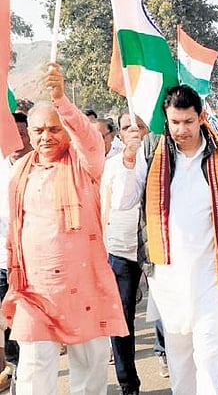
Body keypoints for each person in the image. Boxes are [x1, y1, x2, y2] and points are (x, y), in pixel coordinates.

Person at [2, 63, 128, 394]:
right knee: (33, 371)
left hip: (83, 284)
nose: (46, 137)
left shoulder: (85, 164)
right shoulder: (20, 172)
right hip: (35, 290)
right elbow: (15, 229)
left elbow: (90, 139)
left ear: (67, 131)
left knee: (89, 371)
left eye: (54, 129)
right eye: (38, 131)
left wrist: (61, 100)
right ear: (29, 134)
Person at [112, 84, 218, 394]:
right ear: (166, 120)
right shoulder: (151, 150)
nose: (182, 130)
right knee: (180, 355)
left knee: (210, 351)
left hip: (214, 272)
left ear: (201, 117)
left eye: (188, 121)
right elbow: (124, 201)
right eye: (175, 122)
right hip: (168, 274)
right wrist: (129, 156)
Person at [100, 112, 150, 395]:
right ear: (119, 134)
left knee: (169, 316)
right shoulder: (113, 165)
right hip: (121, 250)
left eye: (139, 126)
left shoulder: (162, 158)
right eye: (127, 128)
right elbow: (119, 201)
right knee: (122, 319)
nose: (134, 131)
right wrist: (129, 159)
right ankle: (128, 383)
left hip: (158, 249)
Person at [0, 113, 32, 382]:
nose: (18, 140)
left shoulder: (43, 166)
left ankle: (28, 370)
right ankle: (15, 367)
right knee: (7, 319)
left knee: (30, 321)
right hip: (3, 260)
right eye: (13, 134)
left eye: (23, 134)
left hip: (34, 262)